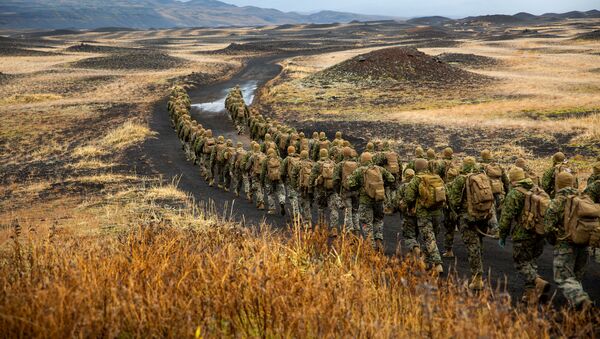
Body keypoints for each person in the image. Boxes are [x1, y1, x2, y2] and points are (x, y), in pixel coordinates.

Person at [498, 167, 549, 305]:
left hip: (523, 235)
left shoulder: (515, 193)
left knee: (521, 263)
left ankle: (538, 281)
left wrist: (502, 235)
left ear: (512, 180)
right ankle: (529, 295)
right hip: (539, 233)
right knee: (531, 262)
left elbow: (506, 217)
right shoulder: (537, 189)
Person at [544, 171, 594, 310]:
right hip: (584, 245)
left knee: (564, 277)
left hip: (565, 245)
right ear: (573, 183)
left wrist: (554, 240)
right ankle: (577, 312)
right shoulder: (585, 198)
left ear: (557, 184)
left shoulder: (556, 202)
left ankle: (582, 301)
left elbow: (548, 228)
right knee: (576, 279)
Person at [449, 157, 494, 290]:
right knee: (479, 243)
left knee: (472, 246)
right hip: (483, 216)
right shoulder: (483, 177)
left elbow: (454, 201)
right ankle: (479, 271)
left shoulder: (460, 179)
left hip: (468, 218)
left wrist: (457, 213)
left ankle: (477, 279)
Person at [347, 152, 396, 250]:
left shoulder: (359, 171)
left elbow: (350, 184)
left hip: (365, 201)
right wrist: (381, 185)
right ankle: (379, 241)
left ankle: (371, 246)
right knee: (378, 220)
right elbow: (391, 178)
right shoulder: (380, 169)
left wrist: (359, 186)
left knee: (366, 223)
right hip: (379, 200)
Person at [404, 159, 445, 273]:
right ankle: (425, 261)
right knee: (432, 238)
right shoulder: (436, 177)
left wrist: (410, 207)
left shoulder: (417, 179)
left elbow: (409, 197)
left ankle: (437, 264)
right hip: (437, 212)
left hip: (423, 213)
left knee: (429, 238)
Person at [480, 149, 509, 238]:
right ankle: (503, 229)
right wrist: (507, 191)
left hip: (488, 191)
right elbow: (506, 180)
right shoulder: (498, 166)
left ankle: (495, 230)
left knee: (491, 210)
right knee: (501, 209)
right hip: (500, 190)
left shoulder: (481, 167)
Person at [310, 148, 339, 230]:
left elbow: (312, 177)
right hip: (332, 189)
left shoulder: (317, 164)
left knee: (321, 208)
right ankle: (334, 229)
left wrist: (310, 188)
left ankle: (321, 226)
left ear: (320, 154)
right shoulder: (333, 164)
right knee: (333, 208)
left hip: (321, 190)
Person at [334, 146, 360, 233]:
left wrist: (338, 191)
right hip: (356, 191)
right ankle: (356, 229)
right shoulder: (358, 164)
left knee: (347, 211)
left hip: (345, 191)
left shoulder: (340, 165)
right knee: (355, 211)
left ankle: (349, 230)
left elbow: (336, 180)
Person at [261, 148, 286, 215]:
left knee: (270, 194)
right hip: (279, 179)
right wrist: (284, 180)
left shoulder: (266, 160)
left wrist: (262, 182)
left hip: (269, 180)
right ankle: (282, 202)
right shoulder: (280, 159)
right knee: (281, 193)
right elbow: (283, 171)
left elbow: (263, 172)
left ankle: (272, 209)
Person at [292, 150, 314, 225]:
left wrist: (294, 186)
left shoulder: (298, 164)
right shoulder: (312, 164)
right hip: (310, 187)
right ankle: (308, 219)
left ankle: (307, 221)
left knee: (303, 203)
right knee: (308, 202)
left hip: (301, 187)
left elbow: (293, 175)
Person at [442, 167, 459, 258]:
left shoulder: (446, 186)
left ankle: (449, 250)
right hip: (461, 212)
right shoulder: (462, 184)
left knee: (449, 231)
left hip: (450, 212)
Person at [282, 146, 302, 219]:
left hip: (290, 181)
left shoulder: (286, 160)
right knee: (300, 197)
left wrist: (283, 180)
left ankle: (296, 214)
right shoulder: (300, 158)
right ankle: (301, 211)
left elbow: (282, 172)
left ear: (288, 151)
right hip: (300, 181)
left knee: (293, 197)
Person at [246, 143, 266, 210]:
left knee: (257, 188)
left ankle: (261, 203)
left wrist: (247, 171)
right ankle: (260, 201)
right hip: (263, 174)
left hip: (255, 174)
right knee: (261, 188)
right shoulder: (264, 155)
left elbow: (248, 166)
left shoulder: (252, 156)